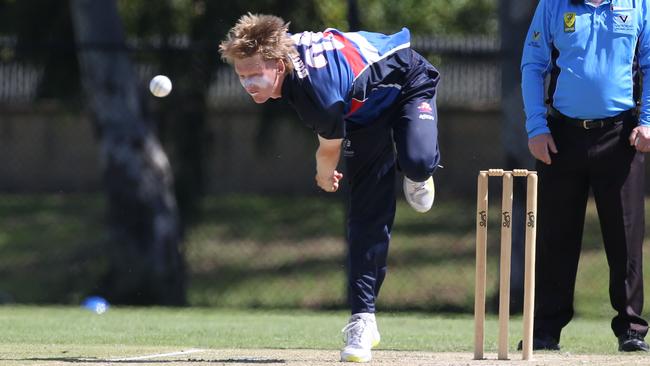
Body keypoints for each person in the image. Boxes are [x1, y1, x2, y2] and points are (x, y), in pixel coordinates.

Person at [219, 13, 440, 362]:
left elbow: (328, 151)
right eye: (242, 76)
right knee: (366, 217)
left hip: (405, 83)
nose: (248, 85)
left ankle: (417, 170)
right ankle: (363, 320)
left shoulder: (316, 96)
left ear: (278, 64)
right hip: (360, 116)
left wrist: (324, 177)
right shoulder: (284, 55)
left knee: (418, 160)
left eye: (255, 74)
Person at [521, 0, 650, 352]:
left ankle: (631, 329)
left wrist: (648, 121)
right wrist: (536, 126)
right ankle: (544, 331)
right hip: (561, 135)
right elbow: (533, 64)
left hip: (621, 135)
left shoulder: (639, 4)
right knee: (554, 237)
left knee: (625, 237)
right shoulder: (553, 5)